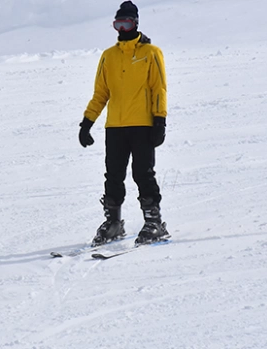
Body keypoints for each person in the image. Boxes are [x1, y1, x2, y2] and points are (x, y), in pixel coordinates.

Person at [79, 1, 170, 246]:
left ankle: (154, 222)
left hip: (143, 125)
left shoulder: (151, 53)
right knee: (113, 176)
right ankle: (113, 223)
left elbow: (158, 88)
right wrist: (87, 122)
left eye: (126, 23)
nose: (122, 28)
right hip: (116, 127)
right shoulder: (108, 56)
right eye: (118, 24)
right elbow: (101, 93)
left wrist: (159, 120)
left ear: (135, 23)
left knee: (143, 173)